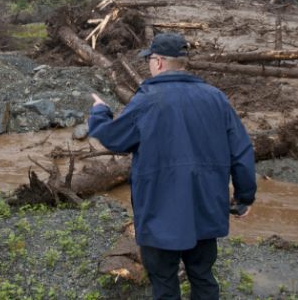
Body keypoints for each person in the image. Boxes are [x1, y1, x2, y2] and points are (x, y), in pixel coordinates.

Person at [88, 32, 256, 300]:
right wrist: (245, 197)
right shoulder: (216, 98)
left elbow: (113, 138)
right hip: (204, 208)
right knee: (202, 276)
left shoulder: (148, 99)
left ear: (159, 62)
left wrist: (99, 111)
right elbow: (242, 151)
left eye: (150, 60)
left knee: (164, 283)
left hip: (159, 213)